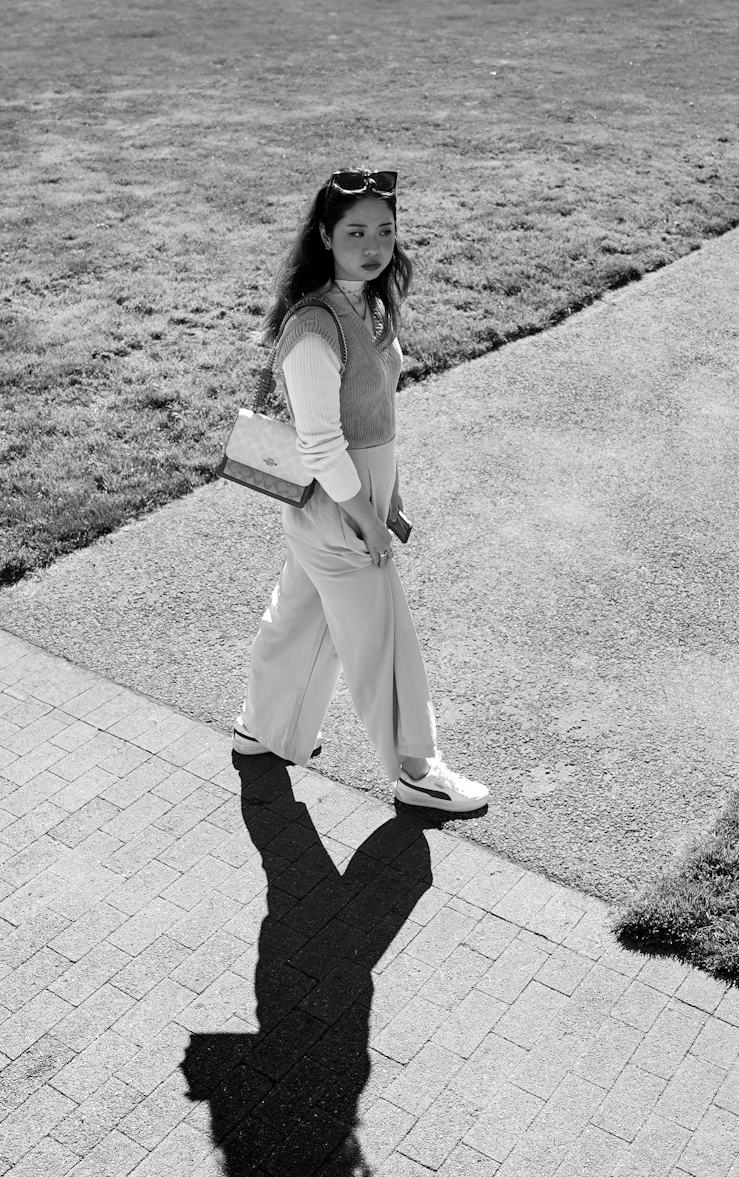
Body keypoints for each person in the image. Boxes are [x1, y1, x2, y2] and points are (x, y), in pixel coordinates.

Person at [233, 169, 489, 815]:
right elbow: (321, 445)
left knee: (300, 614)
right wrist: (368, 521)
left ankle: (264, 728)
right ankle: (416, 771)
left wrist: (390, 494)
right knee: (384, 639)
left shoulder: (368, 303)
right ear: (325, 235)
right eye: (356, 231)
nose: (373, 245)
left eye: (385, 230)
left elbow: (376, 416)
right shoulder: (315, 326)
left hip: (353, 496)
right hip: (340, 503)